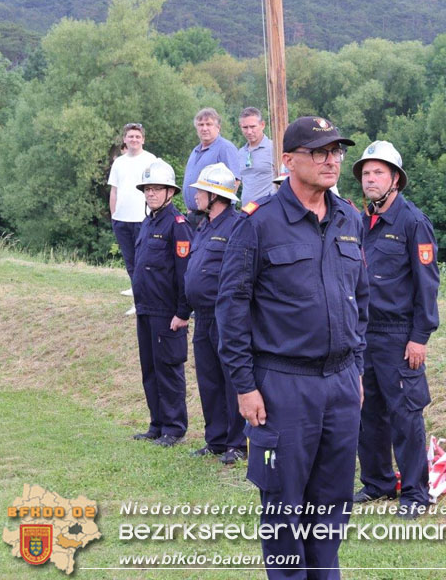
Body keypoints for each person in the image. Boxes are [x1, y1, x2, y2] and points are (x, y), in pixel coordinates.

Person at [216, 116, 365, 578]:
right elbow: (231, 307)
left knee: (331, 507)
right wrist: (244, 385)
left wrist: (356, 369)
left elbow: (360, 301)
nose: (332, 161)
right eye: (319, 152)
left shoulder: (349, 218)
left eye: (336, 152)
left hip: (340, 386)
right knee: (282, 507)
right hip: (282, 387)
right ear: (288, 160)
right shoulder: (258, 223)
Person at [351, 141, 439, 519]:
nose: (370, 179)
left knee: (405, 414)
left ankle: (416, 493)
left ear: (396, 180)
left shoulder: (412, 222)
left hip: (398, 334)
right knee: (366, 412)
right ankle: (377, 483)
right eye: (366, 173)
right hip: (363, 333)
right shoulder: (361, 222)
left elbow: (427, 284)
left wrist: (420, 336)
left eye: (378, 173)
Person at [184, 163, 246, 464]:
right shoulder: (203, 225)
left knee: (231, 379)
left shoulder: (236, 226)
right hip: (203, 316)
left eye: (202, 191)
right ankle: (216, 439)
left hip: (227, 317)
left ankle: (237, 442)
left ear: (216, 195)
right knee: (208, 379)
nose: (196, 195)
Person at [131, 159, 193, 447]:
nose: (151, 194)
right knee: (150, 370)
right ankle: (156, 423)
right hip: (146, 308)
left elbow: (185, 273)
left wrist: (182, 312)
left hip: (167, 312)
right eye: (147, 189)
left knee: (168, 370)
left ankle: (174, 427)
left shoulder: (178, 225)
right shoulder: (148, 222)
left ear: (170, 192)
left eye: (157, 189)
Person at [108, 122, 157, 305]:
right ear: (125, 139)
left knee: (144, 261)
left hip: (143, 218)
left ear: (143, 139)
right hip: (121, 219)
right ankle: (138, 299)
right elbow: (114, 190)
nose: (134, 139)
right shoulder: (119, 163)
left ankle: (148, 299)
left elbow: (158, 189)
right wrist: (114, 215)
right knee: (130, 262)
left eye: (137, 136)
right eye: (131, 136)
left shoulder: (151, 160)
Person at [182, 108, 240, 229]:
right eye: (200, 125)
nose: (204, 128)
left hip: (213, 217)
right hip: (194, 215)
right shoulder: (195, 150)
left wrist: (220, 212)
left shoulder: (225, 148)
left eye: (209, 124)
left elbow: (235, 181)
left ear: (218, 127)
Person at [238, 107, 275, 203]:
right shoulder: (241, 153)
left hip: (268, 210)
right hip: (246, 212)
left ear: (262, 125)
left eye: (252, 127)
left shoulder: (274, 149)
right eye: (245, 128)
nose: (249, 132)